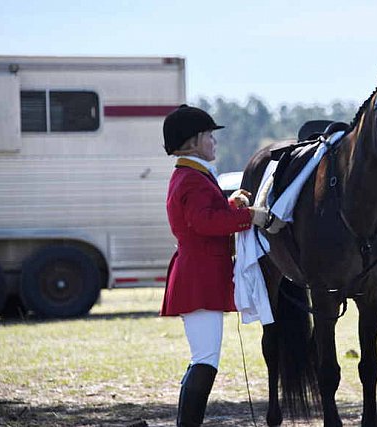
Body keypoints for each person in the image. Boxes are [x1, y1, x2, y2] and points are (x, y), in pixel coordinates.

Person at [159, 104, 270, 427]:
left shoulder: (192, 175)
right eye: (209, 135)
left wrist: (230, 203)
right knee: (205, 361)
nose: (214, 141)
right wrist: (248, 216)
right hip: (199, 277)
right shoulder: (191, 179)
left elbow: (206, 214)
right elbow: (204, 222)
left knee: (205, 359)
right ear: (193, 141)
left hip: (201, 274)